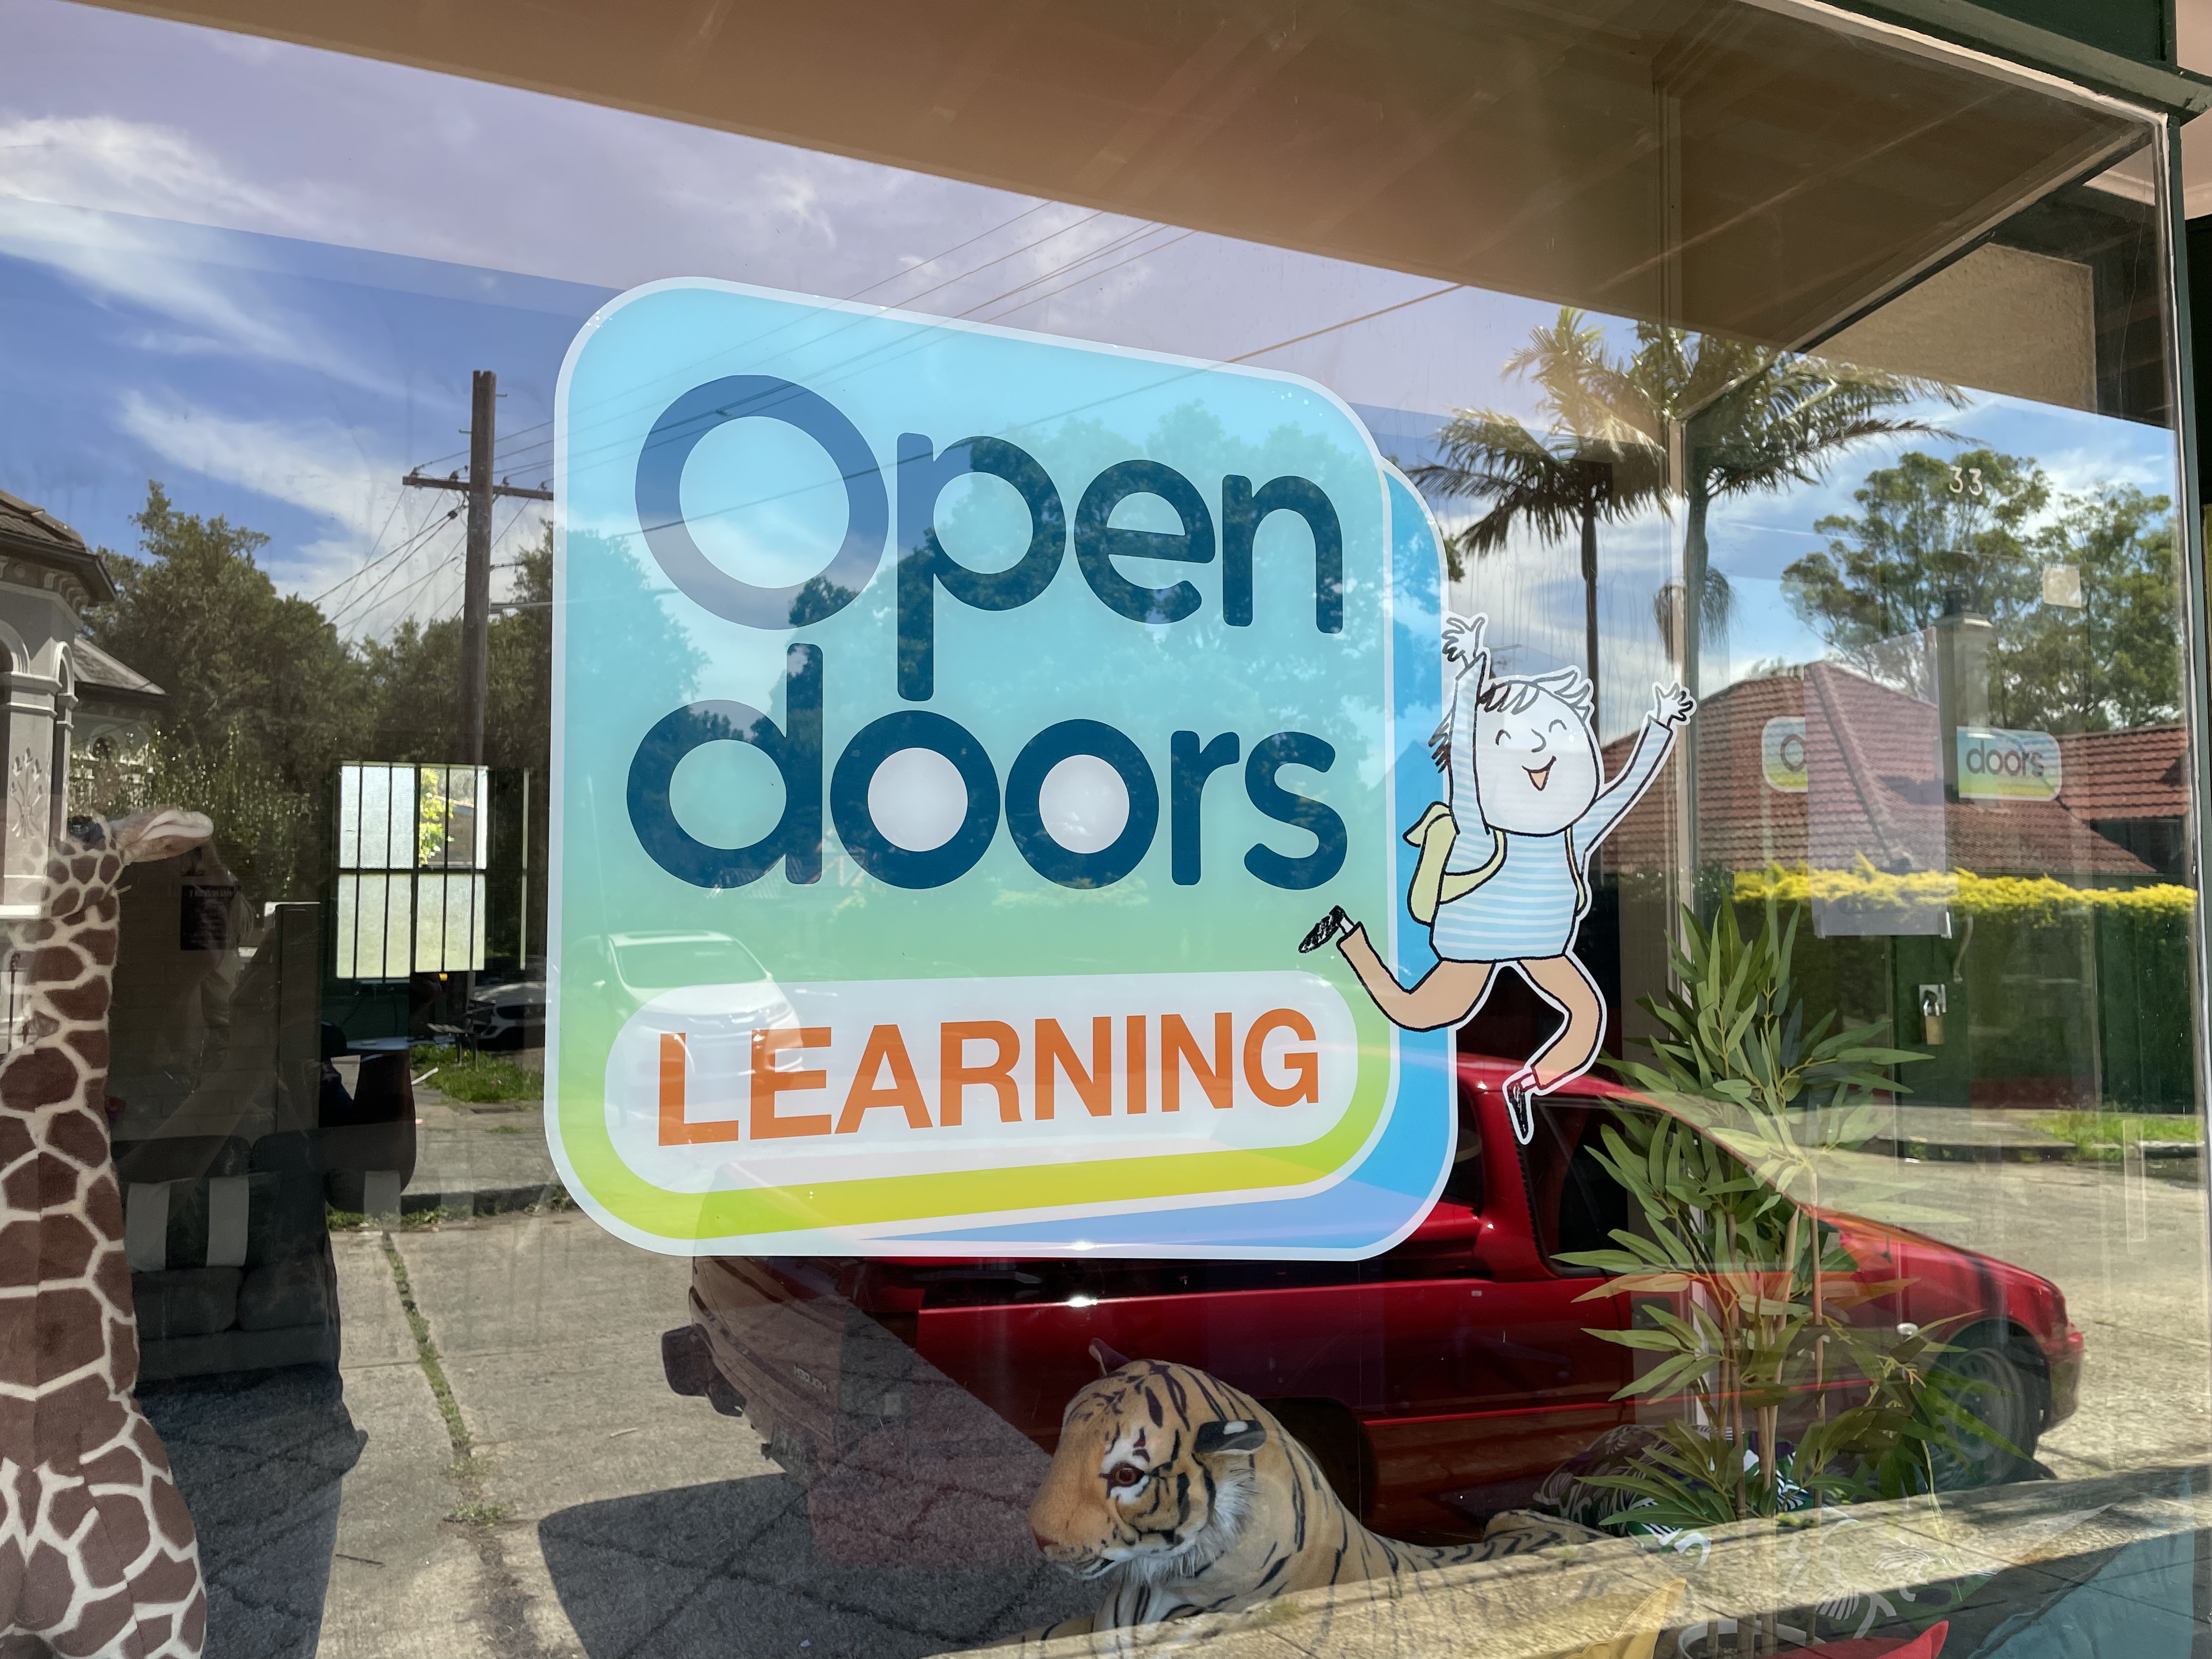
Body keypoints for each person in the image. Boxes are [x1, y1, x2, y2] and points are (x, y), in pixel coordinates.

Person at [1299, 613, 1694, 1142]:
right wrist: (1470, 671)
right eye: (1512, 739)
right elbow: (1464, 755)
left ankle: (1526, 1086)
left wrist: (1660, 726)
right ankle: (1348, 936)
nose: (1541, 751)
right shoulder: (1479, 825)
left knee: (1585, 1016)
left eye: (1558, 733)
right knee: (1414, 1012)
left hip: (1539, 944)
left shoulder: (1570, 833)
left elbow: (1622, 790)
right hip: (1478, 943)